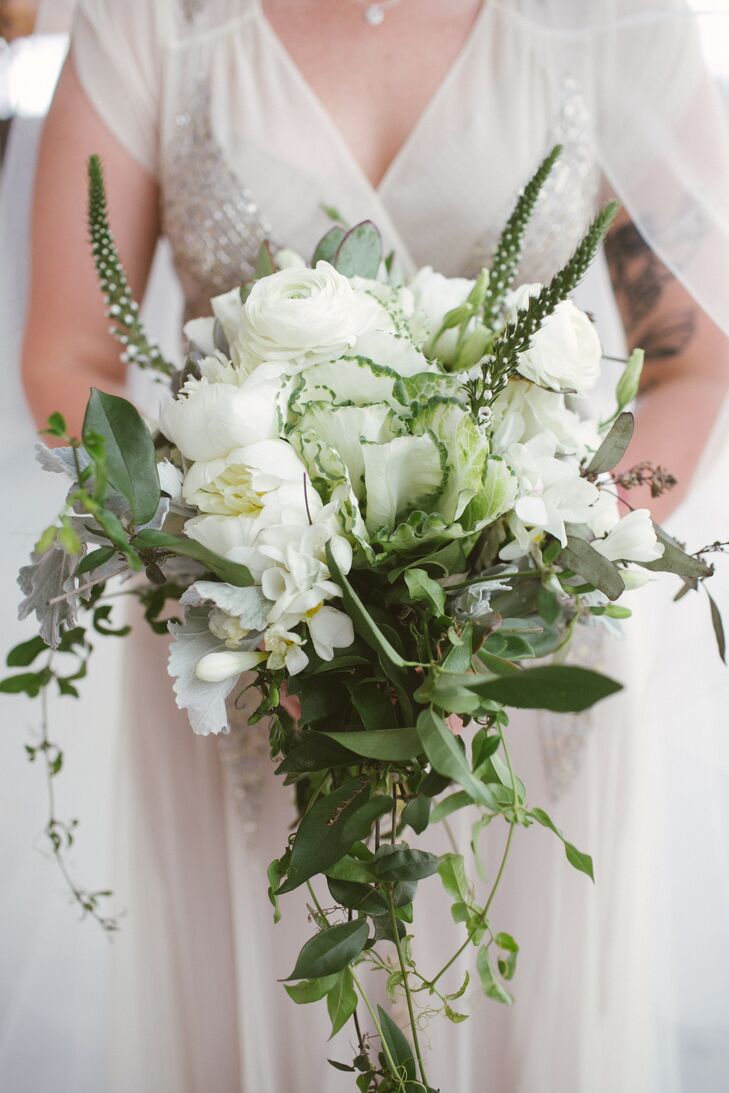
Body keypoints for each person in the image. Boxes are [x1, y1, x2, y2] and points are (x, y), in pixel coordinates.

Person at [16, 1, 729, 1091]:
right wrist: (244, 583)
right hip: (246, 670)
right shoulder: (149, 18)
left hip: (528, 663)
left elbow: (690, 362)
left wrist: (524, 576)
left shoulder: (616, 19)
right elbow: (69, 355)